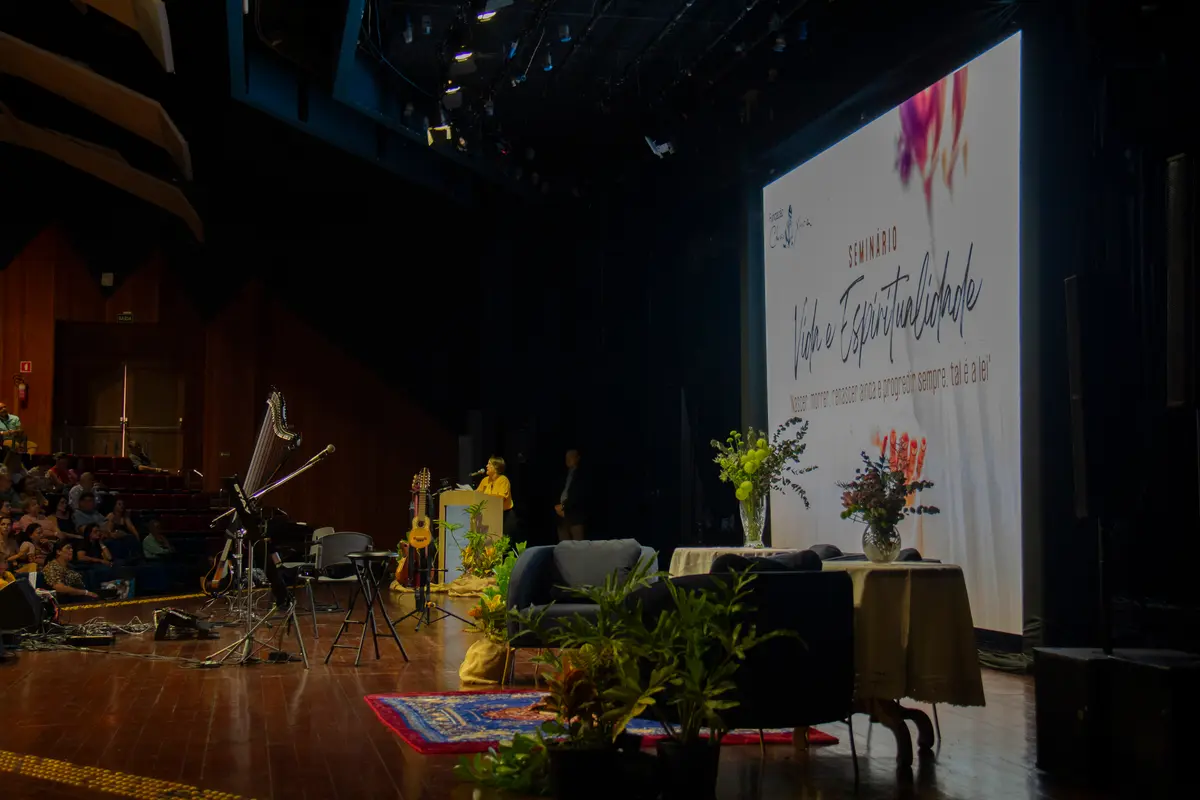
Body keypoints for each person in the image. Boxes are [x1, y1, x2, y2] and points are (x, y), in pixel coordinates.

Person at [476, 456, 515, 537]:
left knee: (503, 539)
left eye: (489, 464)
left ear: (496, 467)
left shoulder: (503, 480)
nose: (486, 466)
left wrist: (486, 496)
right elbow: (477, 494)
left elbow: (500, 498)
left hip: (504, 515)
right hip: (490, 514)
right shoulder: (485, 480)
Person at [554, 448, 588, 541]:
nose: (568, 460)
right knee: (564, 545)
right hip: (561, 516)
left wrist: (565, 506)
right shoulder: (563, 475)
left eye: (571, 457)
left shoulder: (582, 475)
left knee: (577, 545)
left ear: (577, 458)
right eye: (566, 458)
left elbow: (580, 494)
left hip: (575, 515)